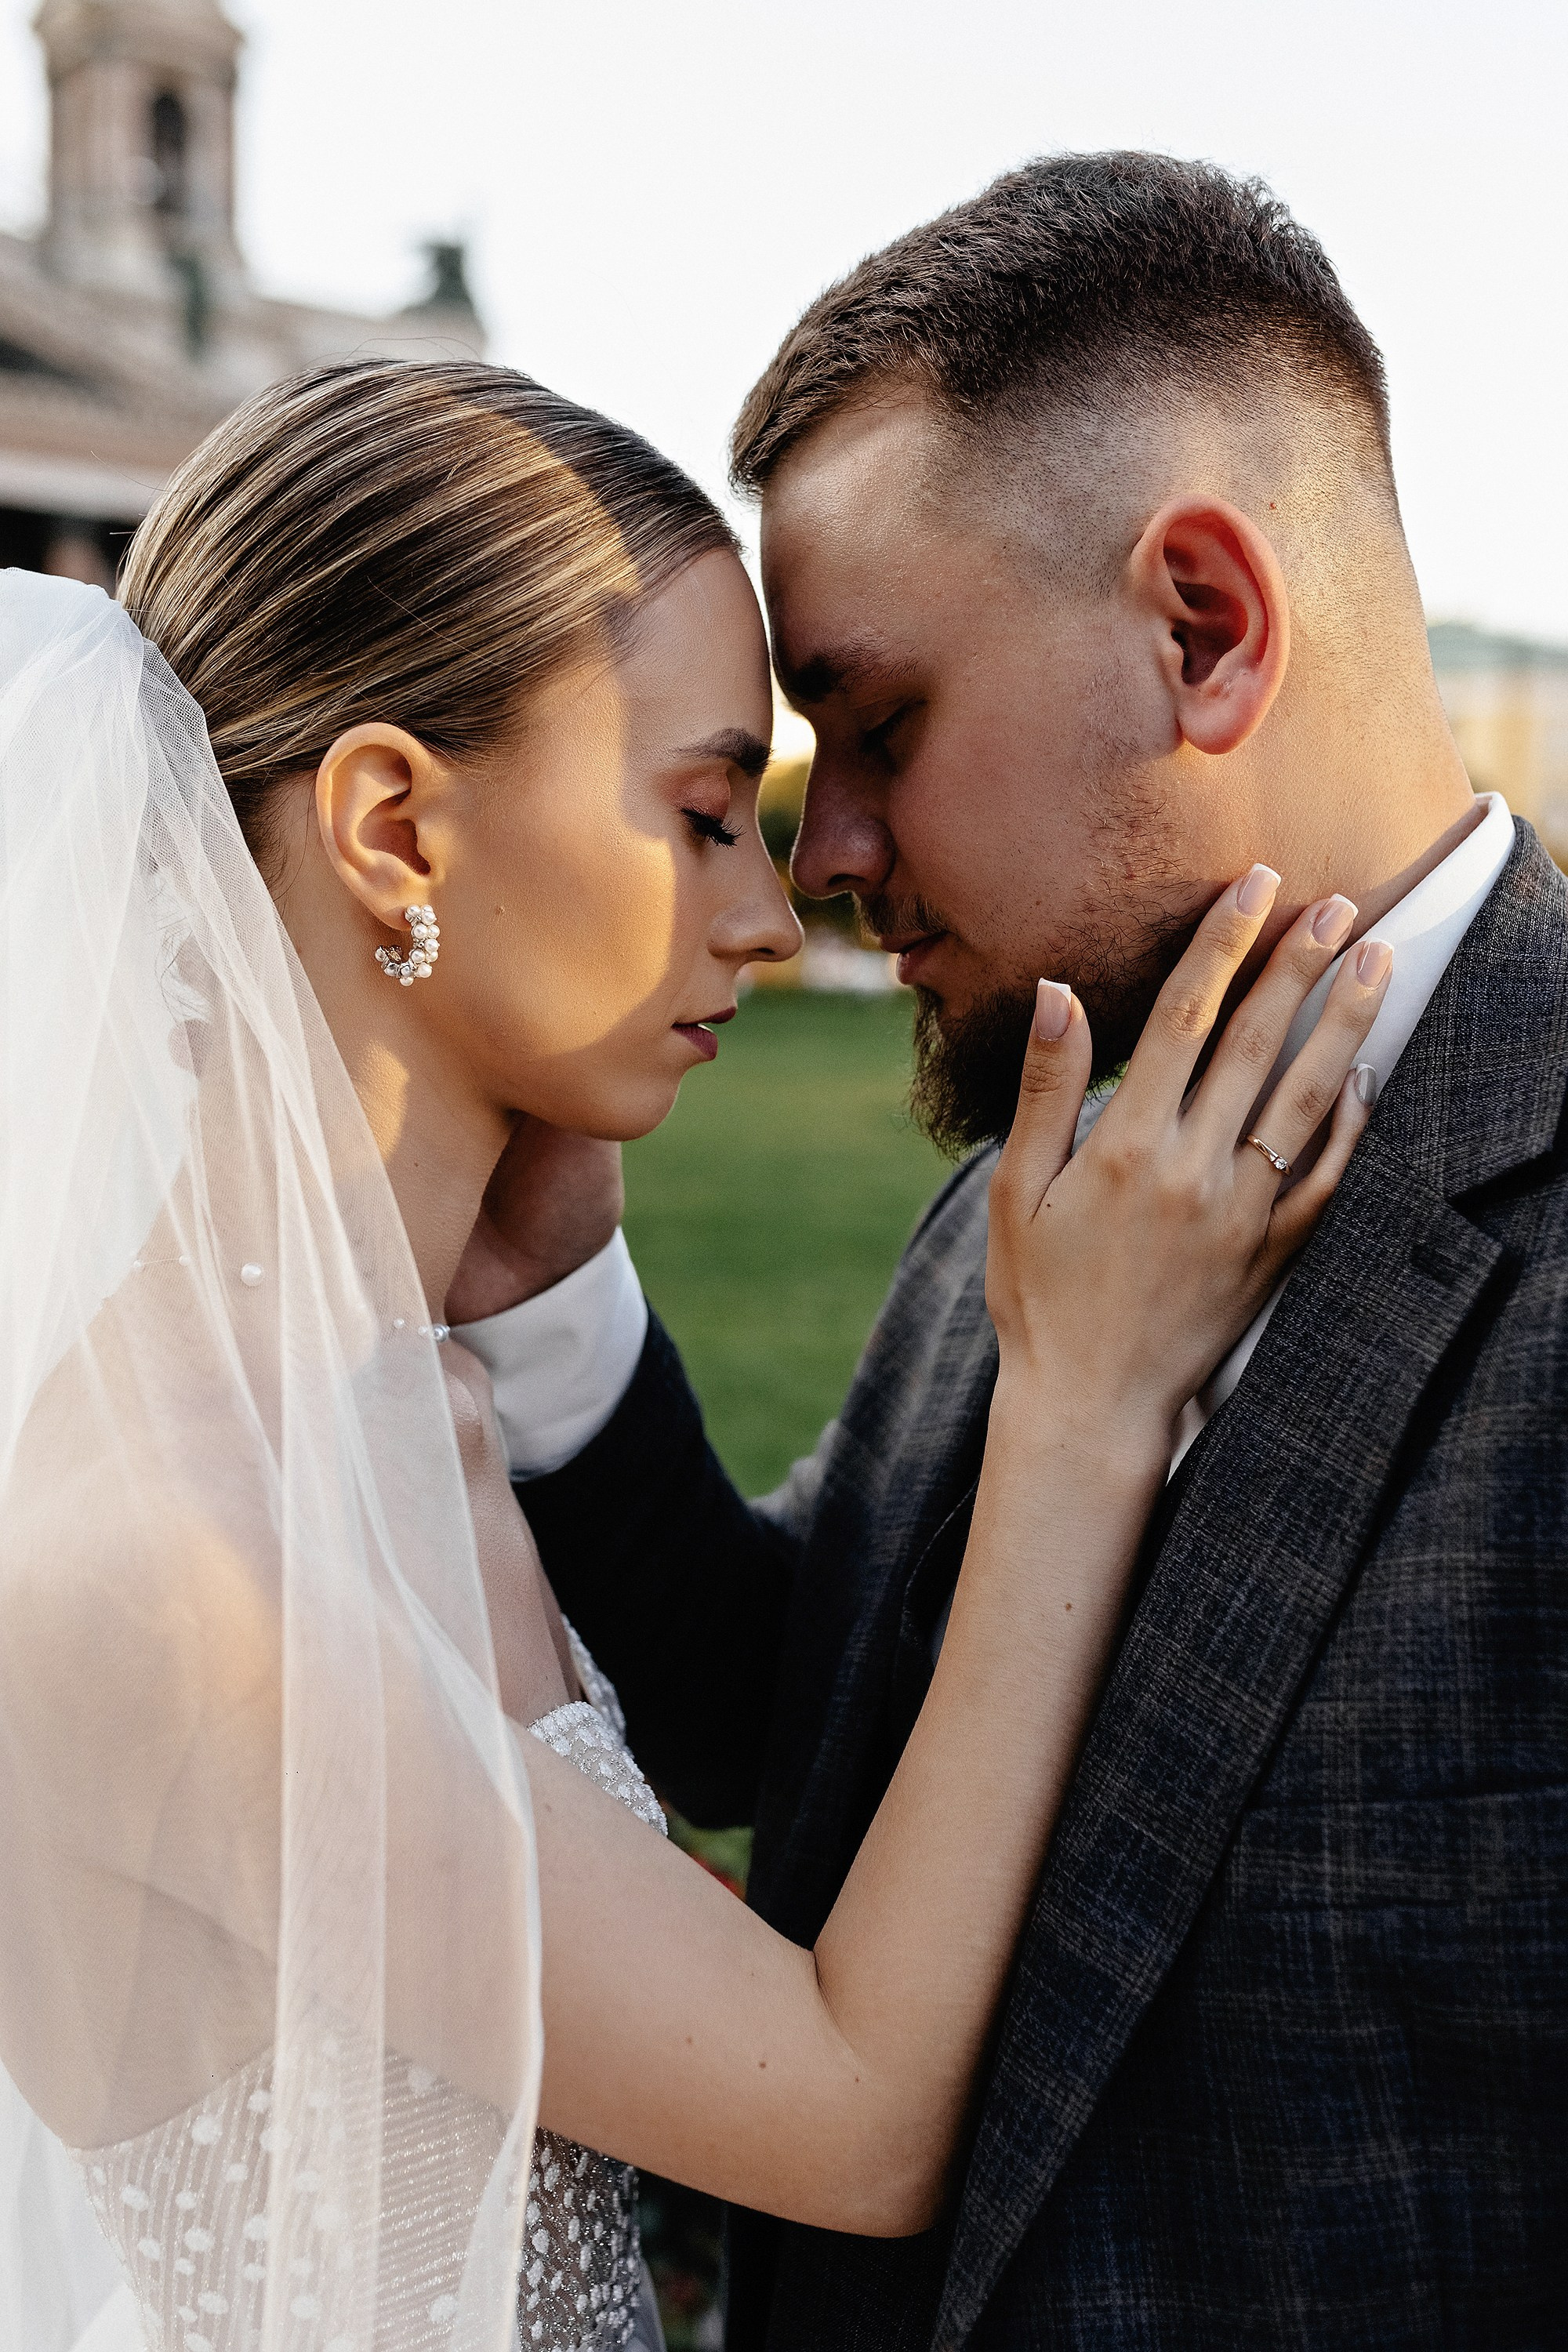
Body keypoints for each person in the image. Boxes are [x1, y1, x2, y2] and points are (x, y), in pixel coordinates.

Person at [0, 362, 1386, 2352]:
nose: (771, 906)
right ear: (394, 824)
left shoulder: (435, 1413)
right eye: (708, 808)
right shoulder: (165, 1561)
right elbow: (842, 2118)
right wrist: (1080, 1404)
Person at [471, 157, 1568, 2347]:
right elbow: (812, 1719)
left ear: (1205, 627)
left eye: (879, 729)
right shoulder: (1037, 1171)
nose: (833, 856)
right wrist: (553, 1284)